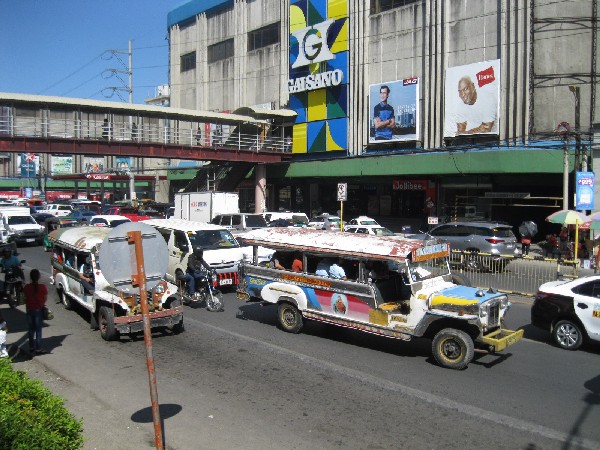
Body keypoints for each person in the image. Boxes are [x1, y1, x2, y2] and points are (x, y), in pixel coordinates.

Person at [23, 269, 48, 355]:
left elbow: (24, 299)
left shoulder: (26, 287)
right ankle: (38, 348)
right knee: (38, 330)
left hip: (29, 310)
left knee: (31, 329)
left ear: (30, 277)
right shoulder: (42, 287)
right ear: (39, 277)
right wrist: (41, 304)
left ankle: (31, 347)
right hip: (38, 310)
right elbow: (45, 298)